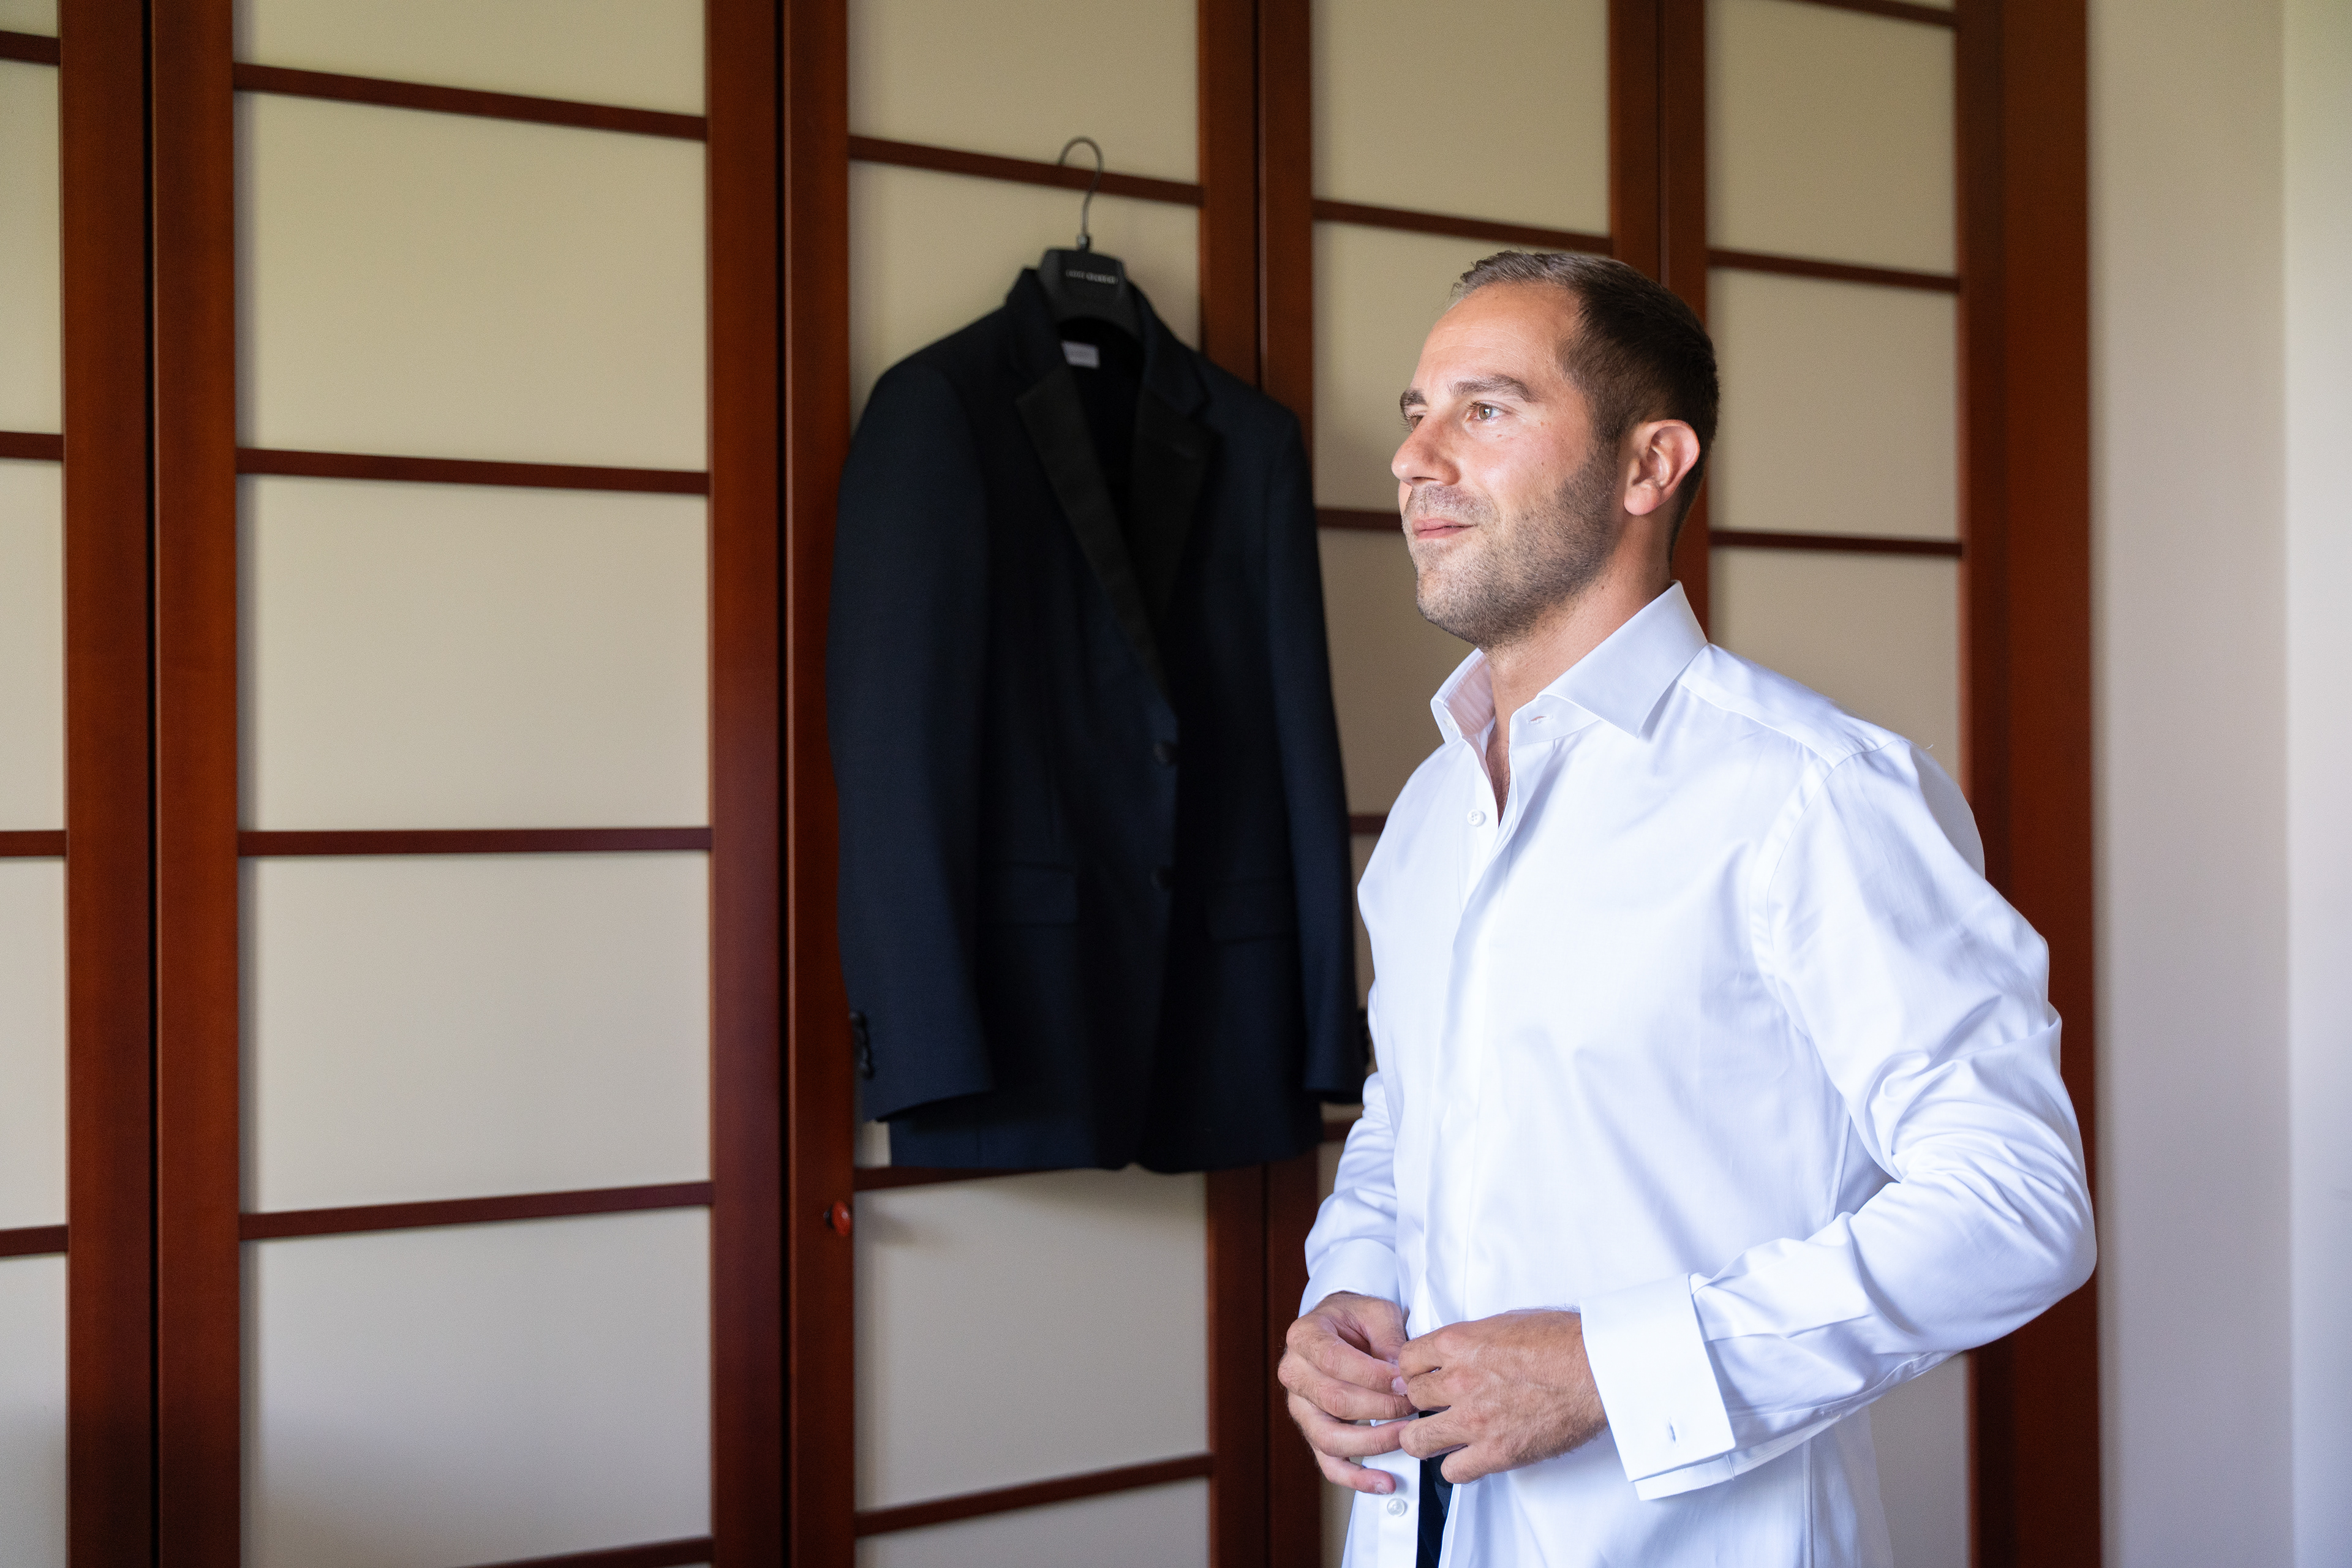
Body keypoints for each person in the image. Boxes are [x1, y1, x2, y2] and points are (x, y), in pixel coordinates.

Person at [1276, 251, 2094, 1568]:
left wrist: (1614, 1370)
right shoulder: (1431, 810)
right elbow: (1414, 1112)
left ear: (1648, 465)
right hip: (1422, 1528)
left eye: (1485, 409)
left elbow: (2015, 1202)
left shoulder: (1813, 793)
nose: (1414, 457)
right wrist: (1349, 1283)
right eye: (1419, 412)